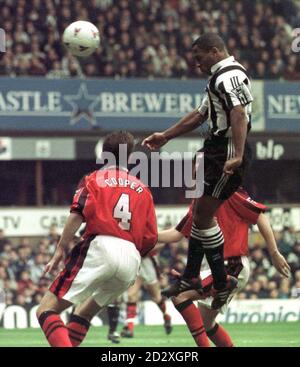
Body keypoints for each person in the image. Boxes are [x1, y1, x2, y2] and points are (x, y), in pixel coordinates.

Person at [142, 33, 254, 309]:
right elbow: (200, 114)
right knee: (199, 215)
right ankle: (194, 276)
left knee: (203, 217)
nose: (196, 63)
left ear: (214, 51)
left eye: (198, 57)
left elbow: (238, 113)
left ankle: (218, 280)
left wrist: (237, 154)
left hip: (225, 148)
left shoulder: (226, 76)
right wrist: (166, 135)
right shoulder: (222, 75)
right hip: (216, 147)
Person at [36, 131, 158, 347]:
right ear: (129, 158)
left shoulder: (93, 179)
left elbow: (76, 214)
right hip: (131, 259)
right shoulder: (144, 190)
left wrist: (59, 251)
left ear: (104, 156)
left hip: (102, 247)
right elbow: (151, 238)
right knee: (84, 312)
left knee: (46, 309)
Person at [158, 188, 290, 347]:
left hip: (232, 264)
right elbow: (176, 234)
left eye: (197, 169)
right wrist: (143, 235)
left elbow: (259, 216)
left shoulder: (229, 191)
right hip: (215, 266)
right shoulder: (197, 202)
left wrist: (274, 253)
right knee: (206, 324)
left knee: (180, 295)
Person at [121, 251, 172, 338]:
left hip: (147, 262)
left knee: (157, 297)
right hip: (134, 261)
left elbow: (159, 244)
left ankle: (166, 316)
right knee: (131, 296)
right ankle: (129, 328)